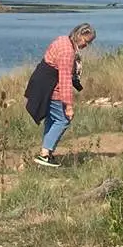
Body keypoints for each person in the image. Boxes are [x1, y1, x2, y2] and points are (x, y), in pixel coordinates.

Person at [27, 23, 97, 167]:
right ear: (79, 35)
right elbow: (64, 79)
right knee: (63, 119)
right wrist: (68, 106)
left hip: (43, 81)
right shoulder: (67, 51)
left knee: (52, 119)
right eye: (86, 41)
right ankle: (45, 154)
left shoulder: (63, 40)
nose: (87, 45)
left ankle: (46, 154)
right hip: (49, 85)